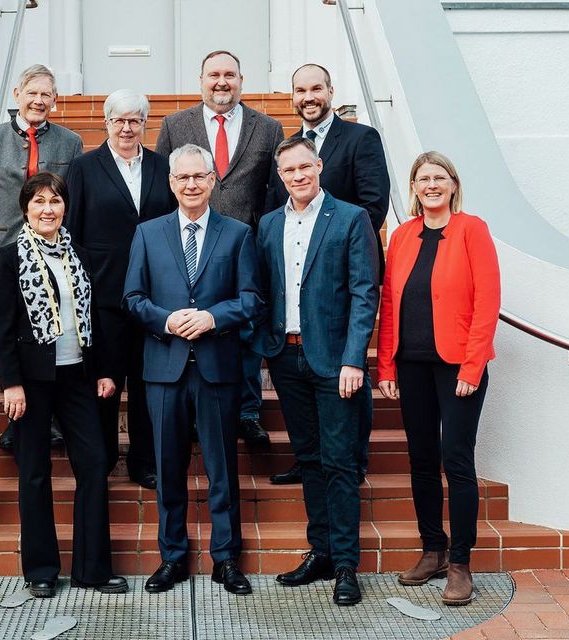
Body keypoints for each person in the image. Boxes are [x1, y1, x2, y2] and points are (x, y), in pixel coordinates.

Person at [123, 144, 261, 596]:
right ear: (171, 183)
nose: (191, 185)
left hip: (217, 368)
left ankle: (226, 559)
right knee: (168, 468)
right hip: (164, 368)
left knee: (222, 468)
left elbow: (251, 299)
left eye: (199, 177)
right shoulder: (148, 233)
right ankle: (173, 557)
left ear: (213, 179)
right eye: (182, 178)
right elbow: (133, 298)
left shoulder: (238, 233)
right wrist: (165, 320)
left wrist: (213, 317)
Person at [0, 171, 128, 597]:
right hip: (31, 382)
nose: (48, 209)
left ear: (65, 207)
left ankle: (92, 569)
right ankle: (42, 570)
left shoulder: (79, 255)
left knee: (93, 463)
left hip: (77, 376)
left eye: (55, 201)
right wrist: (10, 384)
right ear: (26, 209)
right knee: (34, 472)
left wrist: (104, 370)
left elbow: (96, 318)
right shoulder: (9, 258)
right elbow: (2, 326)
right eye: (39, 202)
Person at [253, 137, 379, 606]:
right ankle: (321, 550)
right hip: (286, 358)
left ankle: (346, 564)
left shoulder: (350, 218)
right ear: (280, 176)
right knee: (307, 459)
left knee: (339, 462)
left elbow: (365, 293)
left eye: (305, 167)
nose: (298, 176)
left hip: (334, 362)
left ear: (319, 165)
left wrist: (354, 359)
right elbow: (262, 290)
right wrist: (263, 346)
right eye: (289, 171)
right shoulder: (268, 225)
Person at [377, 151, 501, 606]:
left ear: (452, 184)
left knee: (457, 460)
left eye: (438, 177)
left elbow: (488, 302)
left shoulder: (472, 229)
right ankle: (433, 549)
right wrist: (386, 365)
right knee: (422, 460)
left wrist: (472, 367)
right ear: (414, 187)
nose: (430, 184)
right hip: (411, 364)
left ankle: (462, 564)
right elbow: (389, 304)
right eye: (422, 178)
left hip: (457, 367)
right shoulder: (404, 236)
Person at [265, 63, 390, 487]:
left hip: (342, 270)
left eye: (316, 87)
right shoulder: (286, 149)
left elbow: (374, 205)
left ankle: (349, 461)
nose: (308, 96)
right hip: (297, 289)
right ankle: (312, 460)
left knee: (345, 395)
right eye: (300, 90)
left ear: (331, 91)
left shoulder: (361, 137)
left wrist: (340, 241)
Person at [156, 50, 283, 446]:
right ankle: (194, 413)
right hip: (191, 245)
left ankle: (246, 412)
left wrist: (259, 236)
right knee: (195, 325)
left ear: (242, 79)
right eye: (214, 74)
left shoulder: (269, 128)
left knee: (244, 329)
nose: (222, 82)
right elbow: (165, 187)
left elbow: (274, 194)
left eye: (230, 74)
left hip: (244, 246)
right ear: (201, 80)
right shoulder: (176, 124)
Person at [0, 63, 83, 452]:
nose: (38, 100)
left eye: (46, 94)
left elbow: (74, 205)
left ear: (55, 100)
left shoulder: (71, 142)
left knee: (49, 330)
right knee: (8, 328)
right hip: (3, 254)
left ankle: (47, 418)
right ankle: (15, 419)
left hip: (53, 254)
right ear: (17, 95)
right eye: (31, 92)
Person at [65, 90, 176, 490]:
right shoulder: (83, 168)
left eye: (135, 120)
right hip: (103, 292)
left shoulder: (165, 167)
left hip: (155, 292)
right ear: (106, 123)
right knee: (105, 379)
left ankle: (144, 461)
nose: (127, 127)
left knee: (147, 382)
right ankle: (104, 456)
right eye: (119, 120)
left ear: (145, 124)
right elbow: (71, 231)